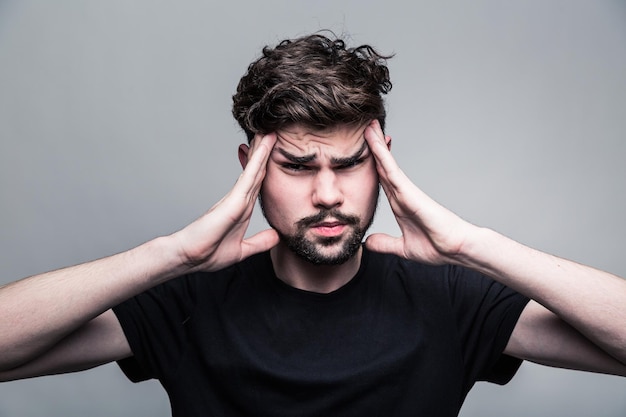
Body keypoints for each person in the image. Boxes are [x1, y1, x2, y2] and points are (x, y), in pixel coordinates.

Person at [0, 32, 625, 416]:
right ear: (251, 168)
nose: (328, 193)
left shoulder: (453, 296)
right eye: (297, 167)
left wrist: (472, 247)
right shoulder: (186, 296)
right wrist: (173, 255)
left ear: (384, 163)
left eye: (351, 164)